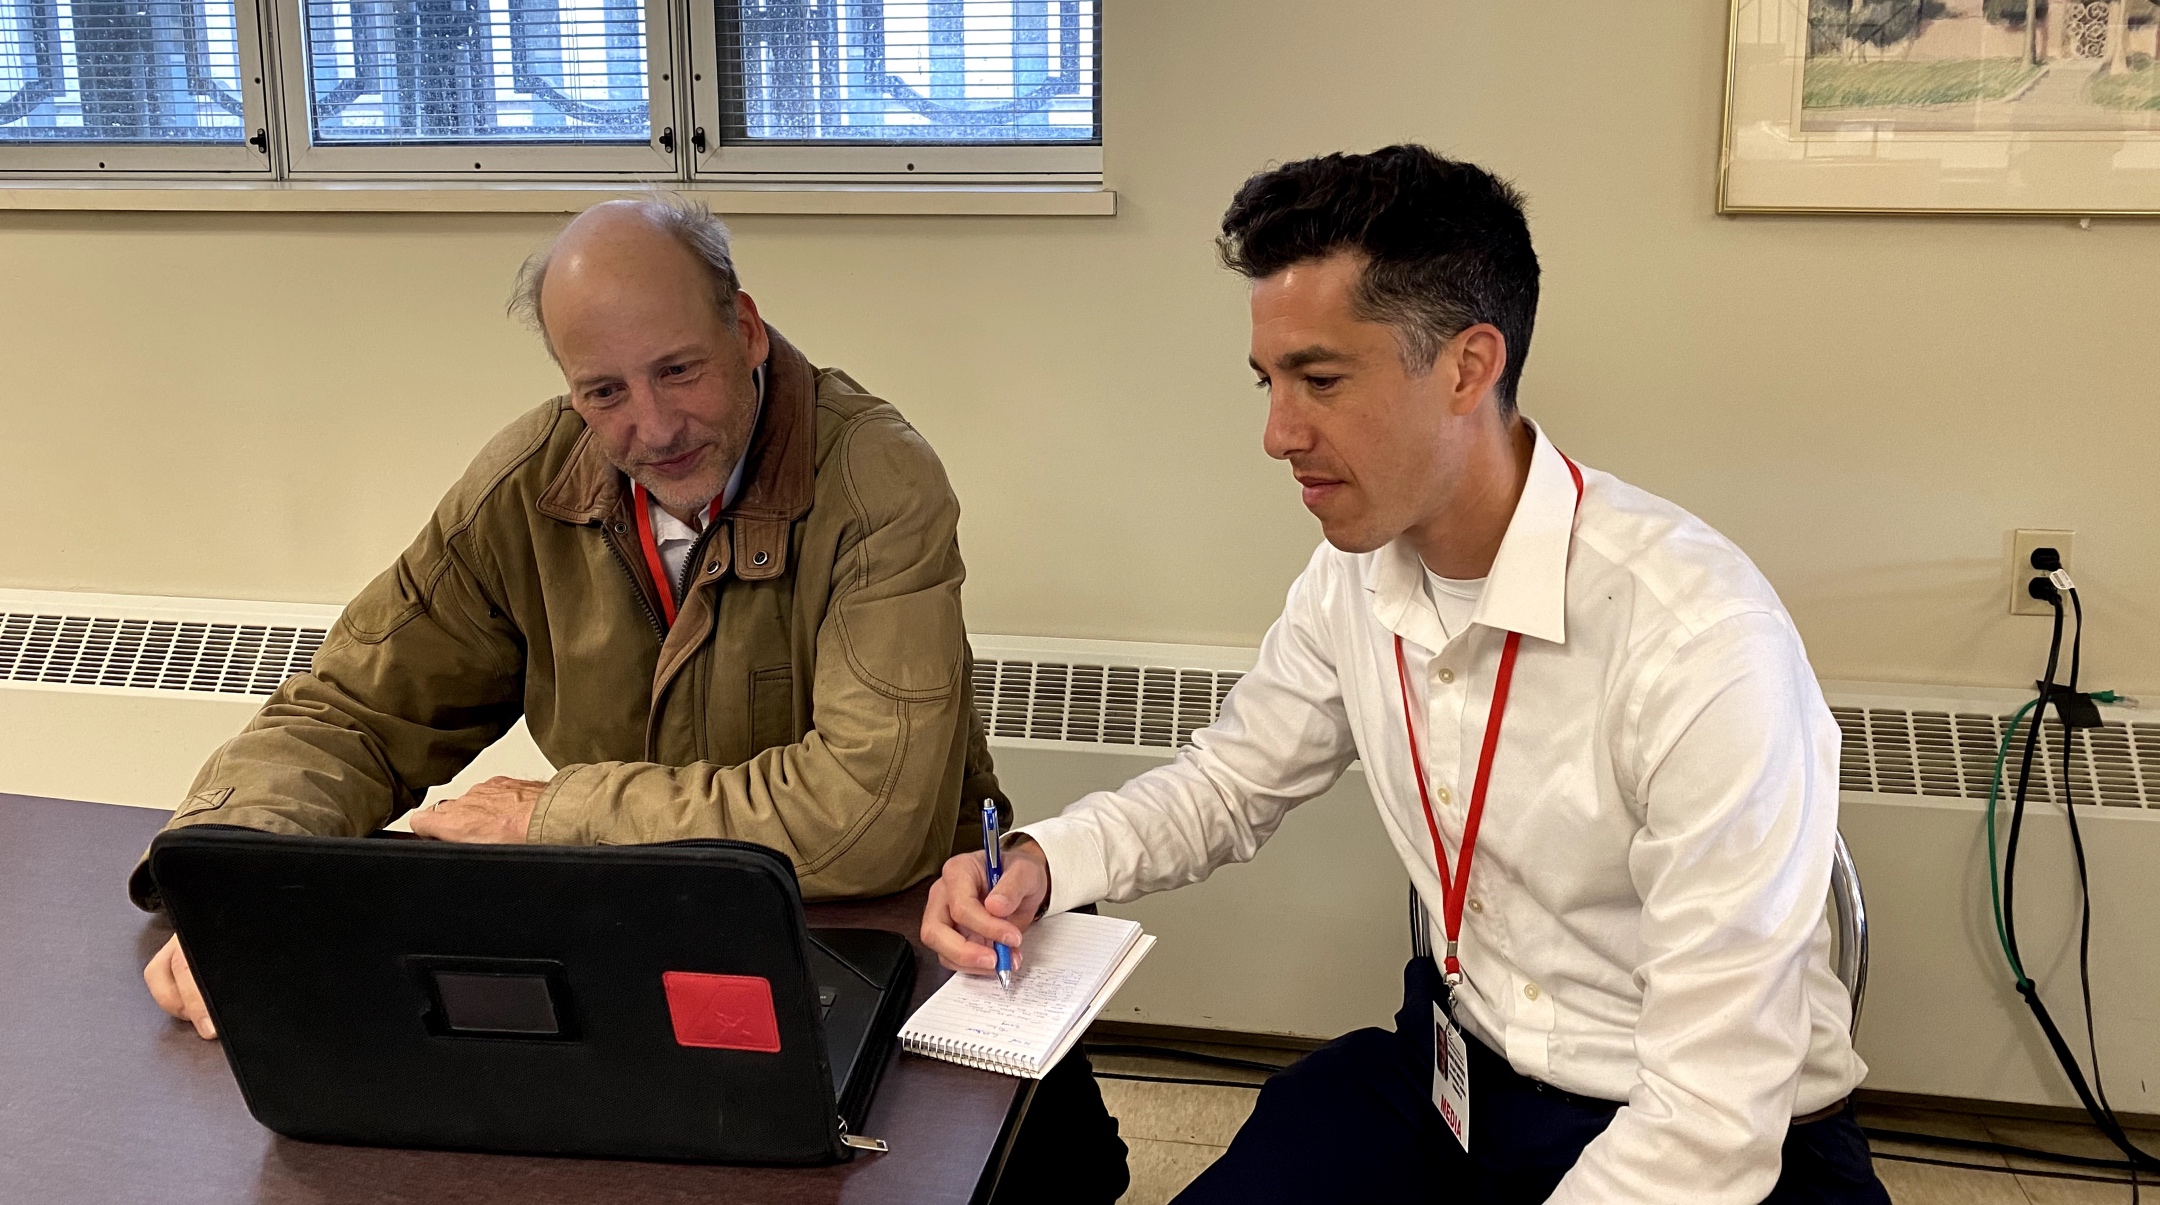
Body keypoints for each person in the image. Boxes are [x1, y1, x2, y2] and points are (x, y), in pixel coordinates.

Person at [921, 145, 1890, 1204]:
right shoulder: (1355, 575)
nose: (1278, 433)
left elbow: (1711, 1115)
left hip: (1706, 1129)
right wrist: (1041, 861)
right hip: (1458, 1075)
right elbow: (1229, 783)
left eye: (1321, 380)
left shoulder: (1700, 640)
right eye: (1271, 381)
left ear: (1470, 367)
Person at [132, 194, 1127, 1203]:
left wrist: (548, 815)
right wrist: (236, 887)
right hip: (642, 946)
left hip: (891, 946)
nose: (650, 426)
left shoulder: (878, 480)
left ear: (744, 329)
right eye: (602, 390)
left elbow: (866, 812)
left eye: (678, 369)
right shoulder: (528, 482)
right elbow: (348, 710)